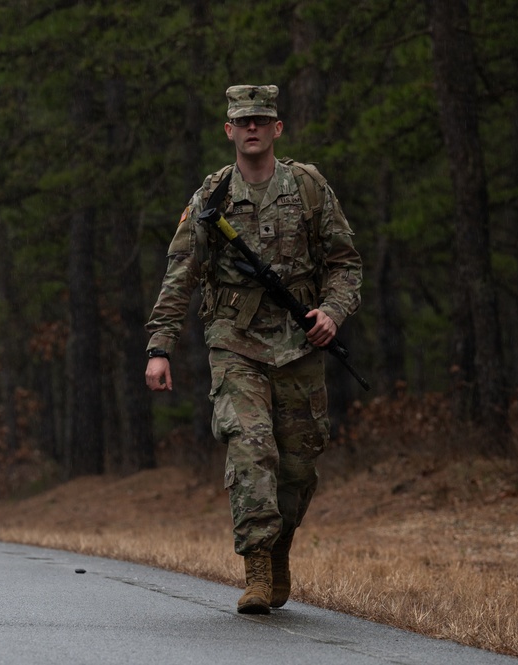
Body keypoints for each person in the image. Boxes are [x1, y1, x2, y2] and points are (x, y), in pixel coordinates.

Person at [144, 84, 362, 614]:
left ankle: (280, 545)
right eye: (243, 121)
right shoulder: (209, 199)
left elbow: (345, 265)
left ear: (277, 128)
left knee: (299, 465)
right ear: (229, 130)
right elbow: (181, 274)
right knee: (250, 446)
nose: (252, 128)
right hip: (234, 342)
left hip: (299, 344)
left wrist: (331, 314)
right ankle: (258, 568)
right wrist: (160, 346)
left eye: (262, 120)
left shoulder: (309, 188)